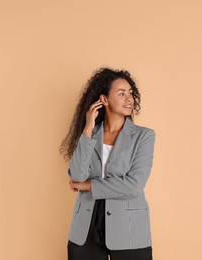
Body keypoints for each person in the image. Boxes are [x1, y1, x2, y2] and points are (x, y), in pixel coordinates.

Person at [59, 67, 156, 260]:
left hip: (128, 226)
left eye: (130, 93)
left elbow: (134, 184)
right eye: (121, 93)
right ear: (104, 99)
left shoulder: (143, 136)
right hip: (86, 226)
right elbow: (76, 176)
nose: (129, 99)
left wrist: (88, 185)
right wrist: (87, 129)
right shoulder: (90, 135)